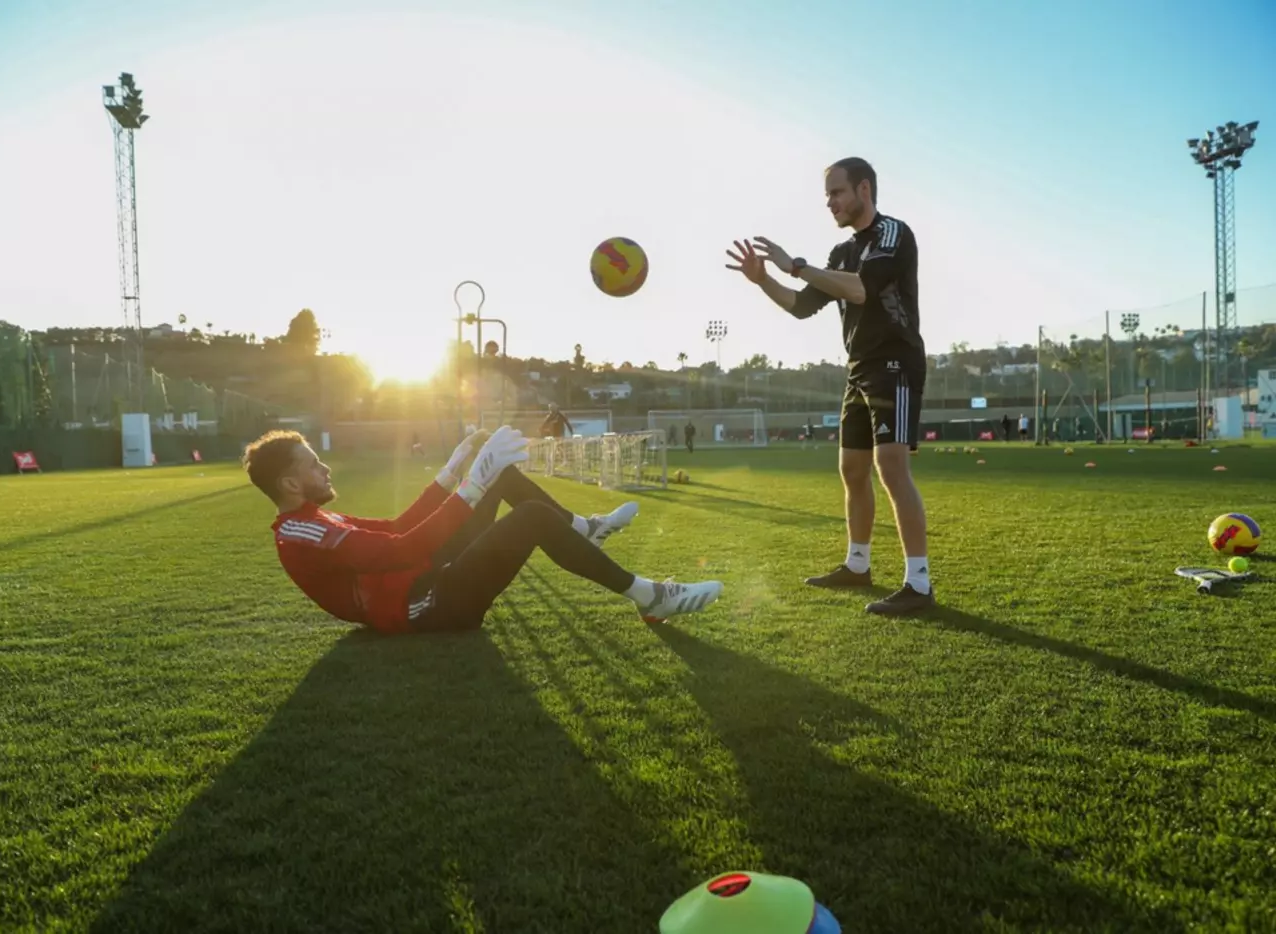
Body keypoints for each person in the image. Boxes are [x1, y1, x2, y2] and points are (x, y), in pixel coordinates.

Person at [243, 426, 723, 634]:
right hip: (425, 606)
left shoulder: (311, 521)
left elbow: (395, 527)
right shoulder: (301, 533)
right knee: (530, 518)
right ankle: (650, 596)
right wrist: (470, 485)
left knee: (502, 477)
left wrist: (452, 472)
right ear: (290, 484)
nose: (325, 468)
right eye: (313, 464)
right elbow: (402, 546)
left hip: (425, 580)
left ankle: (584, 529)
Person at [725, 156, 934, 616]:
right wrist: (763, 280)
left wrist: (796, 265)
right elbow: (801, 306)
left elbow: (860, 289)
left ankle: (919, 584)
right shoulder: (840, 253)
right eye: (827, 196)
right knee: (852, 470)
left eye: (836, 193)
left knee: (891, 467)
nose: (830, 203)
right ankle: (857, 565)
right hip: (859, 368)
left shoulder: (892, 234)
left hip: (895, 363)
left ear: (864, 190)